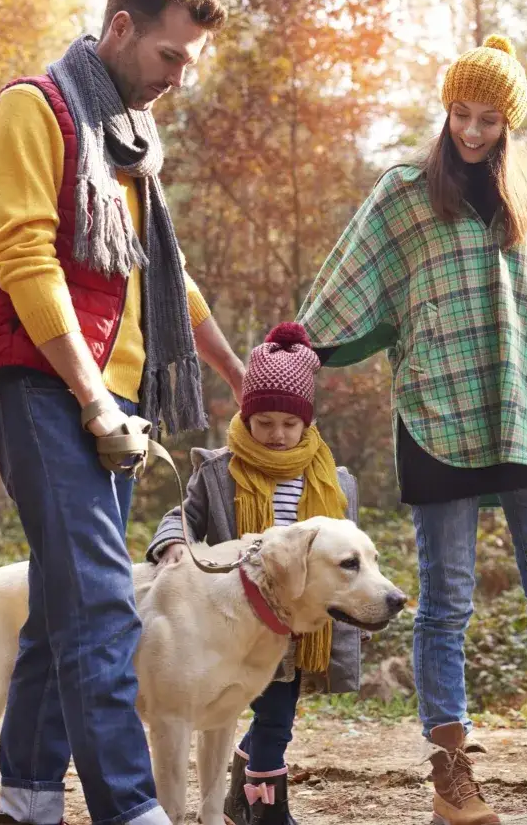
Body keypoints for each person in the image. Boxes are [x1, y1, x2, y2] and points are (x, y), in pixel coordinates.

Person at [296, 34, 527, 824]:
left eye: (487, 118)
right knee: (446, 602)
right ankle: (450, 774)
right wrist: (286, 361)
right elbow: (341, 294)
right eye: (459, 113)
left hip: (526, 412)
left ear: (510, 121)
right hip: (435, 416)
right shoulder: (404, 193)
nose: (469, 130)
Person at [0, 0, 245, 823]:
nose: (178, 77)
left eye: (190, 62)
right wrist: (91, 395)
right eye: (169, 56)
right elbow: (25, 258)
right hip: (42, 383)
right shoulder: (32, 110)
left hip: (116, 398)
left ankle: (30, 799)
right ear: (120, 27)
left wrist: (233, 370)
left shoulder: (127, 143)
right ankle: (131, 807)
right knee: (103, 604)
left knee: (60, 604)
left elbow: (167, 275)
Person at [146, 323, 361, 825]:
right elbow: (181, 515)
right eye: (264, 422)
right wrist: (173, 542)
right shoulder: (220, 473)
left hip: (296, 617)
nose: (277, 435)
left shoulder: (335, 482)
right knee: (232, 709)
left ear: (306, 424)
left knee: (276, 717)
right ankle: (249, 797)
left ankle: (260, 799)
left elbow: (348, 553)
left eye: (289, 423)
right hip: (233, 621)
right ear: (247, 415)